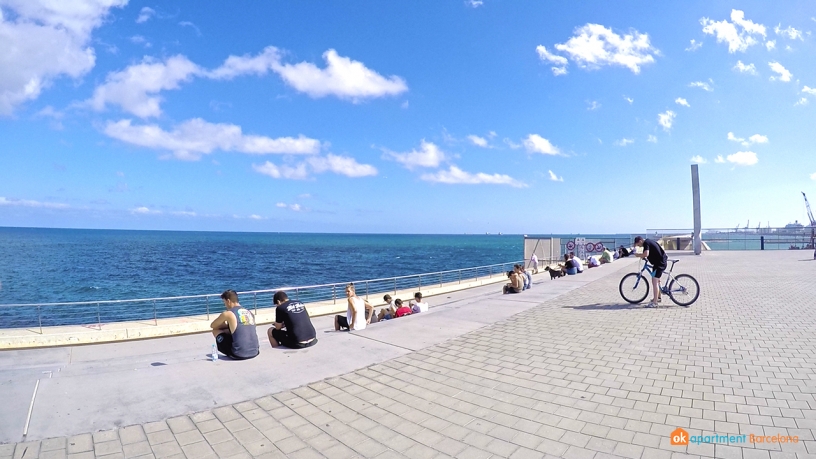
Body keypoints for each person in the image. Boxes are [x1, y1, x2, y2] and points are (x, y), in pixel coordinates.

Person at [210, 289, 260, 360]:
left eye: (224, 303)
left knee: (215, 330)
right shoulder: (249, 313)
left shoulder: (228, 314)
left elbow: (213, 326)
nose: (225, 305)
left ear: (228, 301)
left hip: (238, 354)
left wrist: (223, 325)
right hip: (255, 351)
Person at [633, 236, 668, 308]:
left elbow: (646, 254)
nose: (639, 246)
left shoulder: (646, 243)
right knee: (656, 280)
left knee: (654, 281)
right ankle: (658, 298)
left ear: (640, 241)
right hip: (659, 262)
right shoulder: (648, 241)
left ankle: (655, 303)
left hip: (660, 264)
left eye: (638, 244)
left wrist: (638, 255)